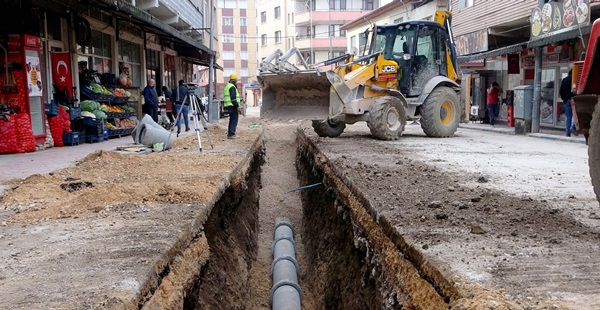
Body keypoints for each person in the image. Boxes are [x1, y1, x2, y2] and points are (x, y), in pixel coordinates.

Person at [560, 69, 577, 136]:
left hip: (567, 100)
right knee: (576, 115)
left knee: (568, 116)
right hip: (575, 99)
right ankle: (573, 126)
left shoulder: (565, 80)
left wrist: (564, 99)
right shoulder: (576, 80)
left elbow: (561, 91)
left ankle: (567, 132)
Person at [224, 74, 241, 139]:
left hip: (229, 106)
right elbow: (233, 98)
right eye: (236, 80)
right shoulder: (232, 87)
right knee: (234, 120)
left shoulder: (227, 86)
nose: (236, 81)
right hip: (233, 106)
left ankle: (230, 133)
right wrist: (237, 106)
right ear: (234, 80)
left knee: (231, 120)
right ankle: (231, 134)